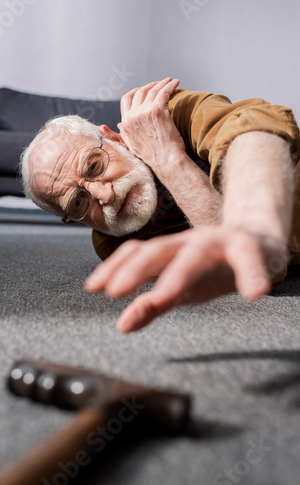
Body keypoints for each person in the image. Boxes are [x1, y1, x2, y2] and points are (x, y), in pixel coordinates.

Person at [20, 78, 300, 333]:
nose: (104, 195)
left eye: (94, 165)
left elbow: (253, 128)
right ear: (74, 220)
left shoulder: (163, 117)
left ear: (115, 139)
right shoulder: (114, 245)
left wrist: (168, 158)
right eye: (78, 201)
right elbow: (258, 271)